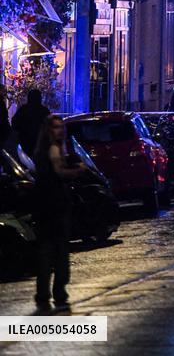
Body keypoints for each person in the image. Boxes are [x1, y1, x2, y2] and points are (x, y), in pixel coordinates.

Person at [33, 114, 86, 311]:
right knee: (58, 250)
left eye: (61, 127)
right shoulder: (54, 149)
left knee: (46, 251)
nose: (60, 130)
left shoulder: (44, 151)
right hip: (54, 204)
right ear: (49, 130)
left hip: (45, 204)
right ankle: (58, 292)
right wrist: (77, 171)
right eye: (56, 127)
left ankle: (43, 293)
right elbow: (59, 172)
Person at [11, 88, 50, 157]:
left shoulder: (23, 109)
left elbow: (14, 122)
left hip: (25, 141)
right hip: (39, 142)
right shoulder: (44, 111)